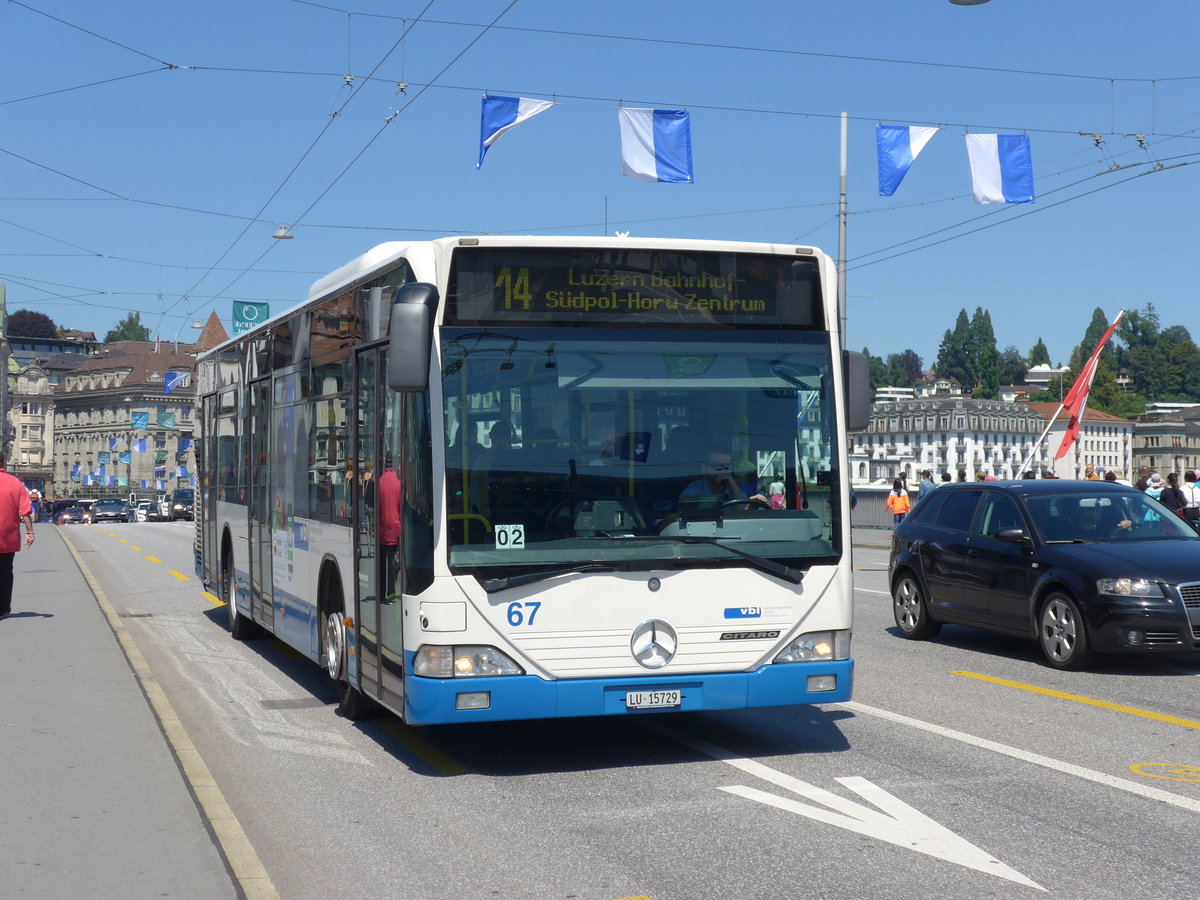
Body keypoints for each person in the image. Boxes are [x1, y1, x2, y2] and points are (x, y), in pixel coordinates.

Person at [0, 455, 35, 618]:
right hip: (7, 537)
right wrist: (30, 532)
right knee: (5, 572)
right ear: (4, 463)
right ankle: (3, 607)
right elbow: (26, 511)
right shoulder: (15, 483)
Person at [378, 455, 402, 595]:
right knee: (392, 560)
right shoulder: (397, 483)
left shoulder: (379, 482)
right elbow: (400, 506)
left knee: (381, 562)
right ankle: (391, 591)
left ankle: (381, 593)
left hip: (381, 528)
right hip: (394, 526)